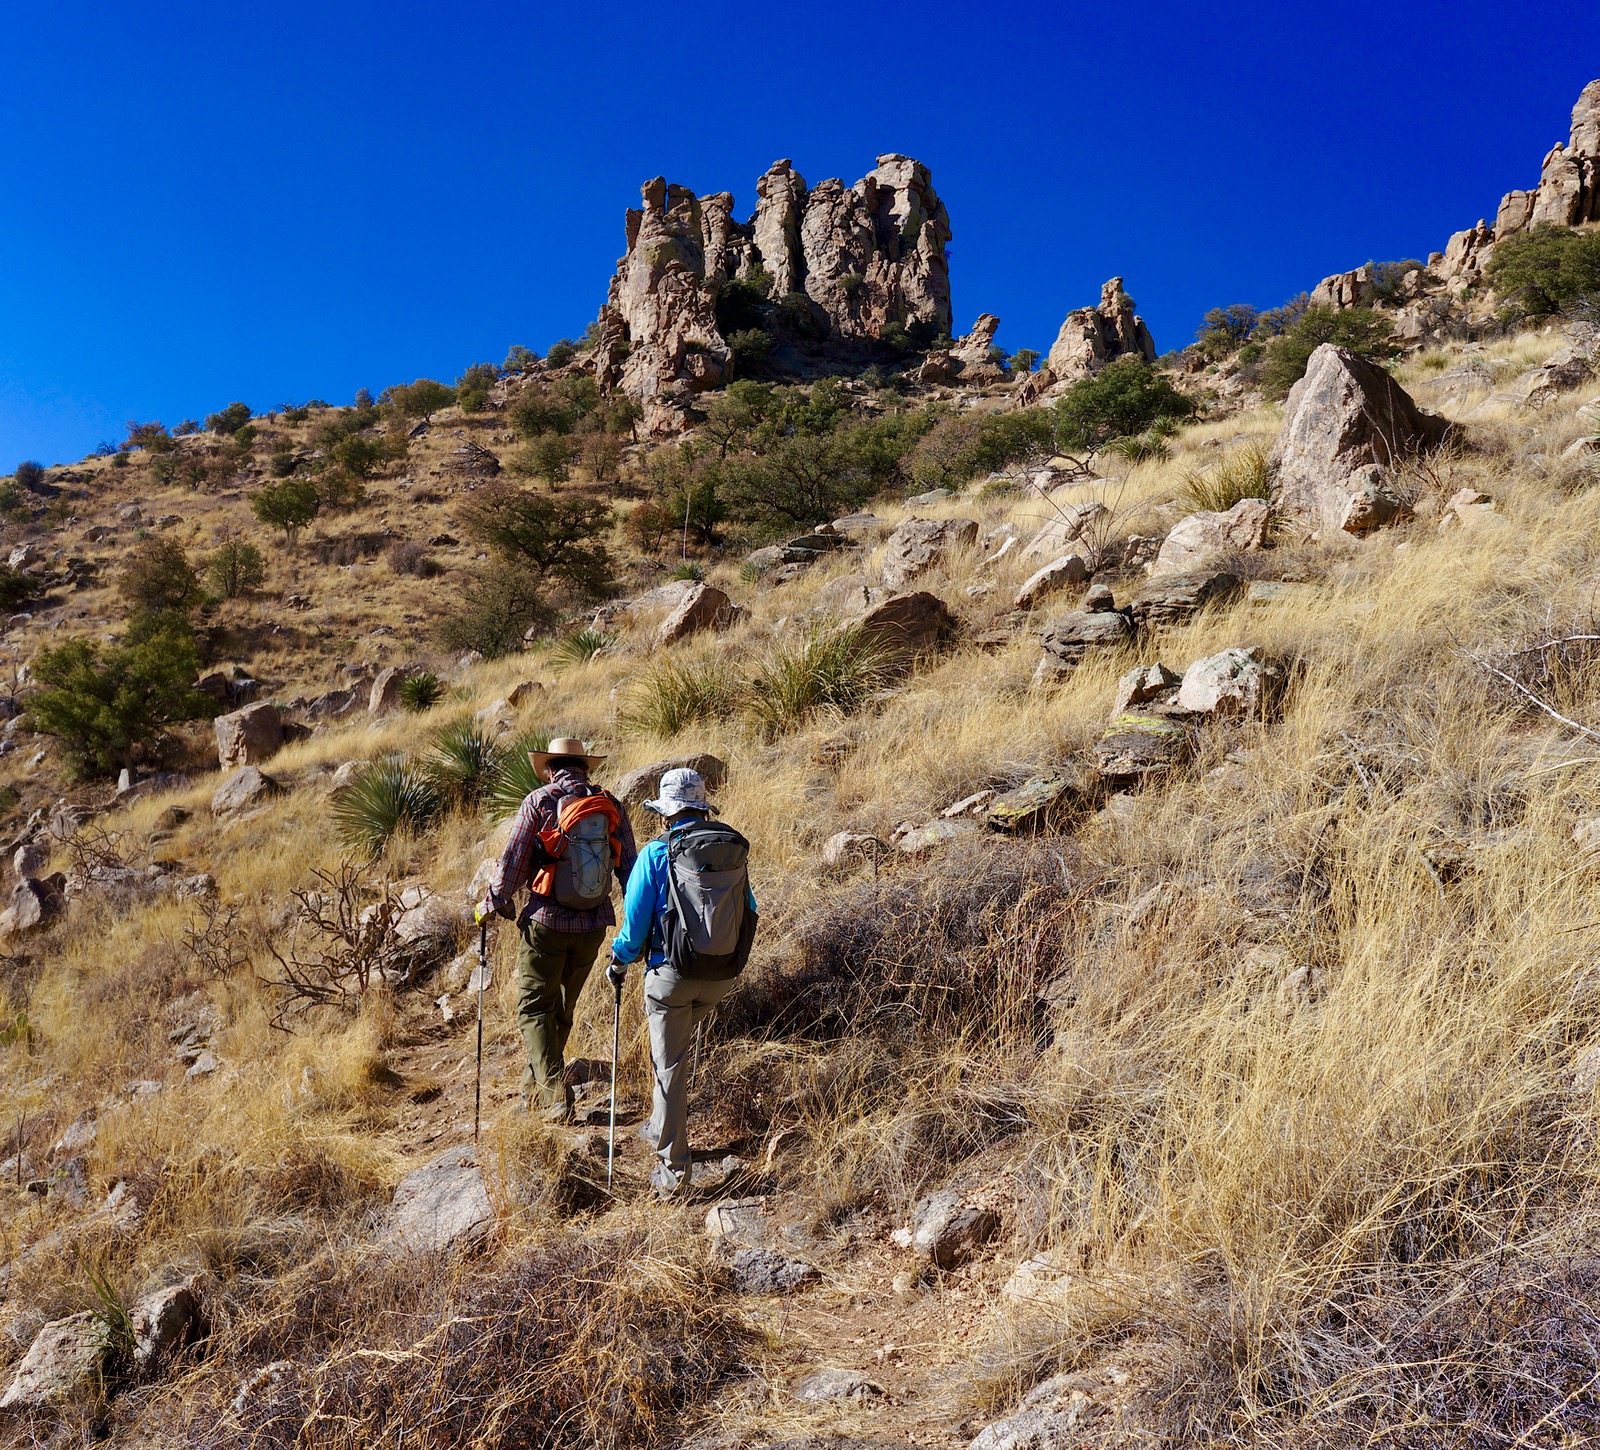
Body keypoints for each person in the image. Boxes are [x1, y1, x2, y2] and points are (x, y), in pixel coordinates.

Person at [607, 766, 757, 1195]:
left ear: (666, 813)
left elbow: (634, 930)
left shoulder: (657, 854)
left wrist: (617, 962)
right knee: (673, 1056)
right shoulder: (729, 849)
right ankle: (658, 1126)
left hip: (670, 976)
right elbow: (749, 908)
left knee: (669, 1066)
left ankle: (673, 1174)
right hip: (719, 976)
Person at [477, 736, 636, 1124]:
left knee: (534, 1009)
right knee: (561, 1012)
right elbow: (629, 868)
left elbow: (513, 860)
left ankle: (552, 1098)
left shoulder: (540, 800)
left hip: (545, 923)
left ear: (550, 768)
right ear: (583, 766)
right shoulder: (609, 804)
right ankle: (534, 1092)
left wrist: (492, 901)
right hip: (594, 926)